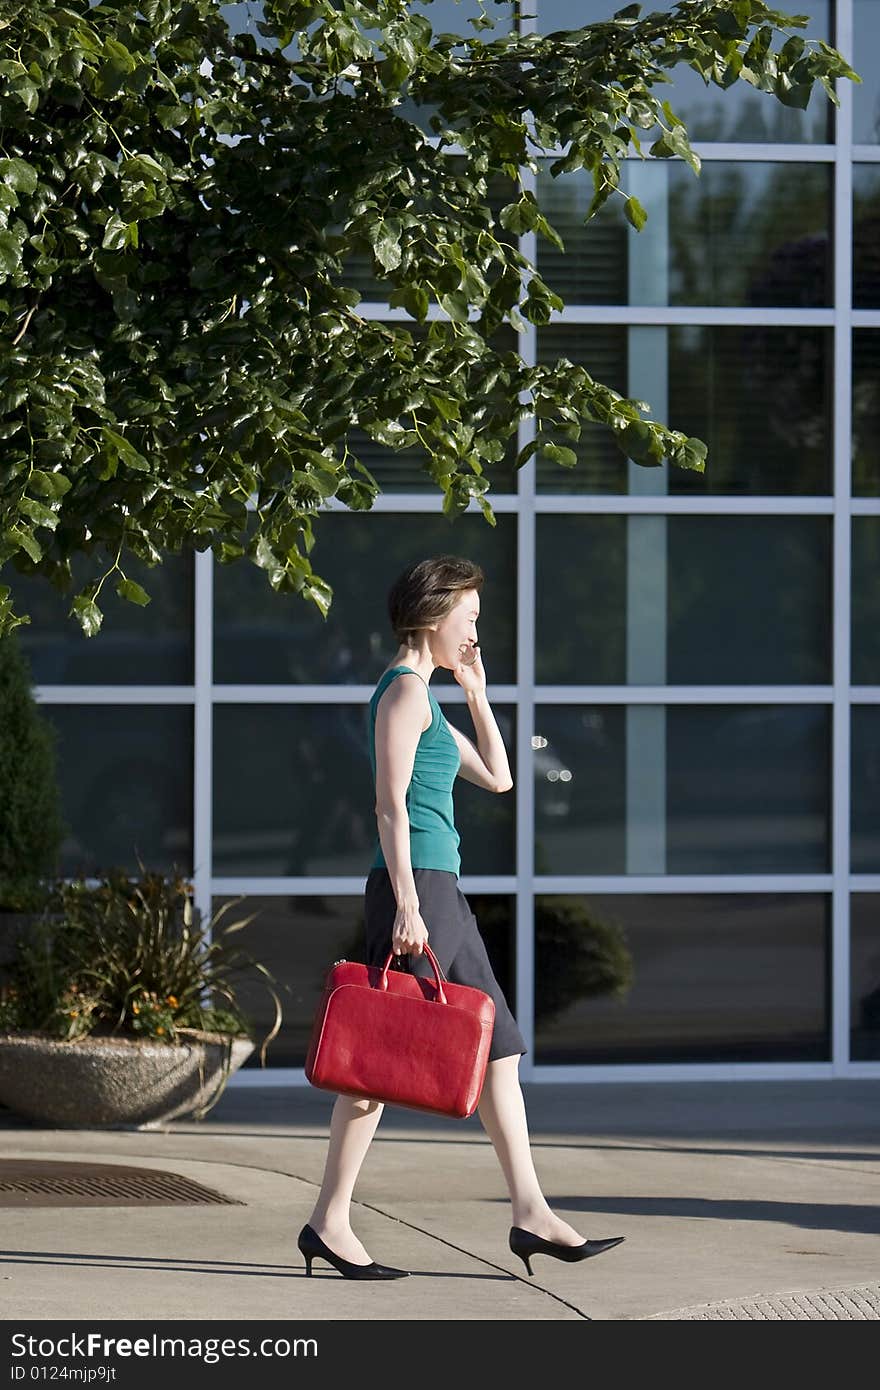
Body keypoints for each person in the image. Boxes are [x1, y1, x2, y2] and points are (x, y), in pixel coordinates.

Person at [298, 555, 624, 1280]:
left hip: (439, 890)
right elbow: (388, 806)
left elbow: (501, 777)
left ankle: (528, 1214)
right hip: (418, 893)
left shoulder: (431, 699)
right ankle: (332, 1220)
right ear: (435, 613)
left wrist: (477, 691)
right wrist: (410, 904)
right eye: (469, 620)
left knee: (496, 1049)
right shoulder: (403, 695)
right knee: (374, 1061)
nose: (475, 632)